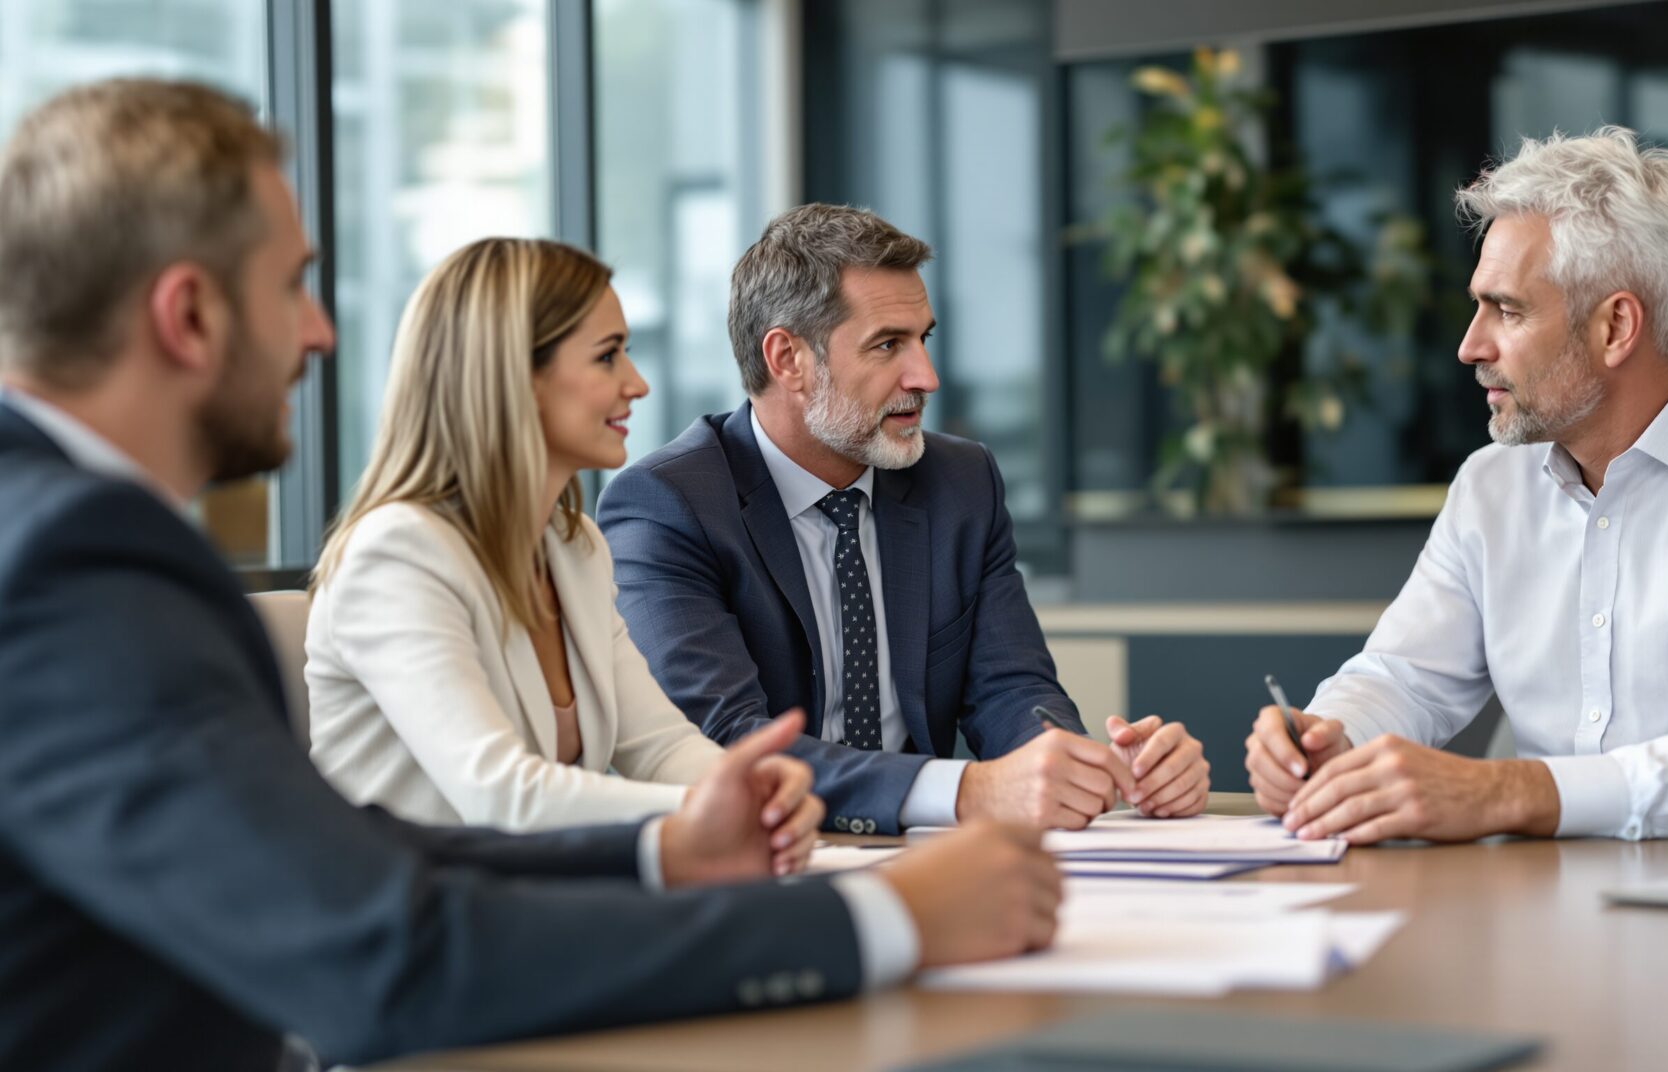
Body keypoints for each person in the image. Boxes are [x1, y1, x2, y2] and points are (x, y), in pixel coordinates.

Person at [0, 78, 1060, 1072]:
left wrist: (679, 846)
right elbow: (393, 937)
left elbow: (361, 850)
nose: (320, 332)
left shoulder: (567, 541)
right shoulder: (70, 560)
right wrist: (879, 917)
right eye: (291, 286)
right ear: (188, 314)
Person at [1245, 126, 1668, 844]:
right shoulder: (1491, 486)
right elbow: (1402, 677)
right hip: (1551, 895)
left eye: (1507, 309)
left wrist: (1507, 791)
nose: (1470, 345)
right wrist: (1330, 739)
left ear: (1616, 326)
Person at [598, 204, 1211, 836]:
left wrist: (1083, 765)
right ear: (788, 359)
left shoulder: (962, 482)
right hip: (765, 855)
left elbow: (1011, 688)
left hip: (930, 851)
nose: (927, 377)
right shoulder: (668, 505)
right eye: (888, 345)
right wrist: (967, 790)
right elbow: (723, 741)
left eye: (924, 340)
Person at [303, 237, 818, 871]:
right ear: (513, 379)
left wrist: (755, 793)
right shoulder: (397, 555)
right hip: (406, 917)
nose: (637, 383)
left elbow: (659, 748)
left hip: (528, 900)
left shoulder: (574, 549)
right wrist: (709, 812)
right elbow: (501, 794)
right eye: (607, 356)